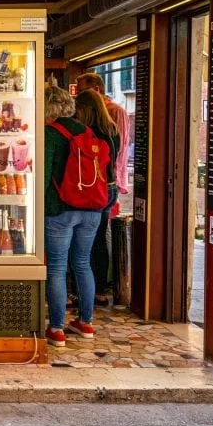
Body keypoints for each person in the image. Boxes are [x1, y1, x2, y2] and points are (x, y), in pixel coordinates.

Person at [44, 84, 103, 347]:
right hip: (91, 209)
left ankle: (57, 329)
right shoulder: (88, 132)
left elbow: (44, 178)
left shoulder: (50, 133)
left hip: (60, 210)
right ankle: (86, 323)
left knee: (57, 268)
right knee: (82, 264)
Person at [74, 89, 121, 308]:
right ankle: (100, 290)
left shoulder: (86, 132)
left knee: (82, 244)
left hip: (91, 189)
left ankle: (79, 290)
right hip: (109, 188)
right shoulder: (112, 129)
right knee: (100, 238)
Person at [76, 72, 129, 195]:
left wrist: (115, 177)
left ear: (96, 90)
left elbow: (121, 146)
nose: (78, 97)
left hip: (108, 177)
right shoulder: (83, 112)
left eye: (82, 92)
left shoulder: (116, 111)